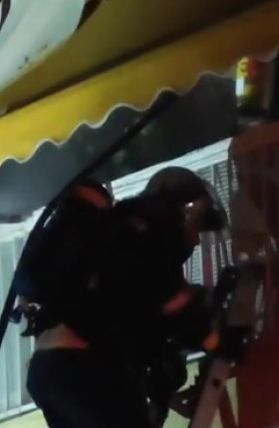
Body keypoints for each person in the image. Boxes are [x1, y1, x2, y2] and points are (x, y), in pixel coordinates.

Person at [23, 166, 228, 428]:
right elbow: (174, 303)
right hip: (79, 367)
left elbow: (132, 317)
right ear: (187, 210)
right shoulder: (156, 229)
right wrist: (215, 340)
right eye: (198, 228)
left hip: (49, 369)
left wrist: (166, 393)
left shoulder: (120, 227)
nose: (197, 241)